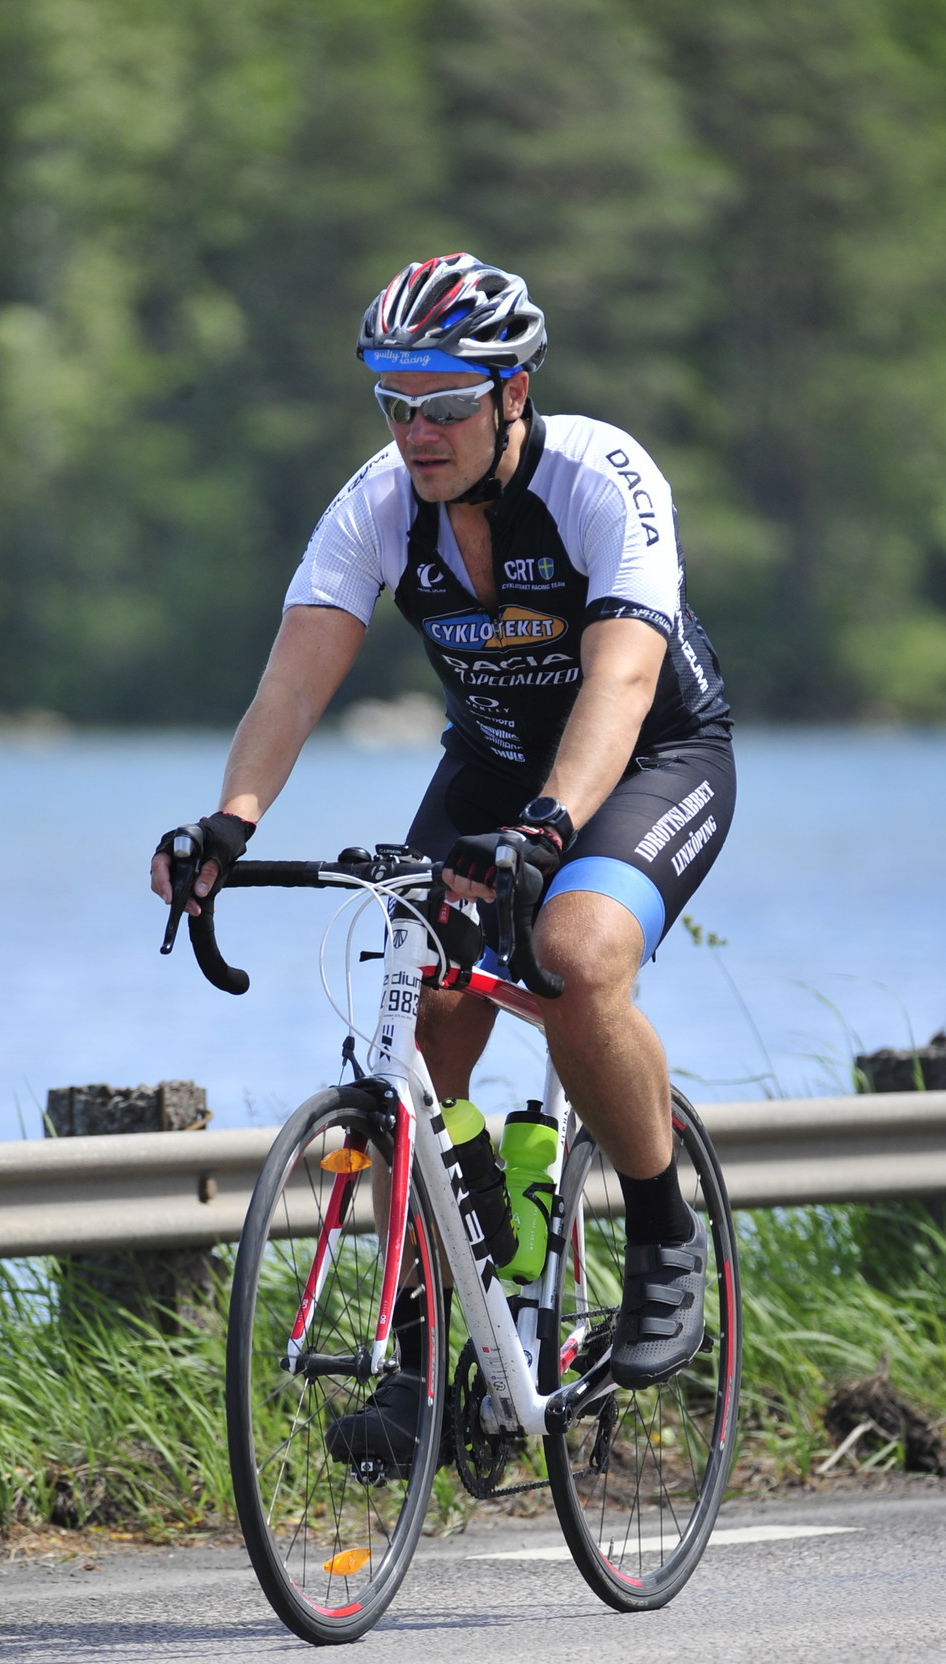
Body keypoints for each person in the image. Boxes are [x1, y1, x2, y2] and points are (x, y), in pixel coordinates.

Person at [152, 251, 734, 1422]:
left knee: (574, 956)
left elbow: (622, 681)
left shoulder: (600, 477)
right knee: (414, 1016)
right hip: (494, 765)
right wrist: (229, 822)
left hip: (651, 757)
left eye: (446, 405)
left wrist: (550, 825)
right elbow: (295, 677)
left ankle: (665, 1236)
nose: (417, 434)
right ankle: (422, 1348)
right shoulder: (376, 503)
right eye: (395, 404)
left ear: (513, 392)